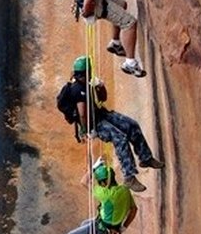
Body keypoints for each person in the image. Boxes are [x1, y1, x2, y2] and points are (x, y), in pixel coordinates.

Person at [66, 56, 164, 192]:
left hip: (101, 114)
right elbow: (82, 113)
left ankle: (145, 157)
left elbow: (102, 99)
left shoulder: (86, 84)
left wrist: (100, 87)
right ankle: (129, 176)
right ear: (85, 72)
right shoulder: (77, 90)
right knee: (120, 138)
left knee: (131, 125)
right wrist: (88, 129)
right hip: (93, 123)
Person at [38, 160, 137, 234]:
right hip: (113, 226)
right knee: (85, 224)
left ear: (104, 183)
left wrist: (93, 168)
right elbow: (134, 210)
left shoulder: (105, 194)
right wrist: (123, 227)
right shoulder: (125, 191)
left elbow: (84, 182)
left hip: (102, 228)